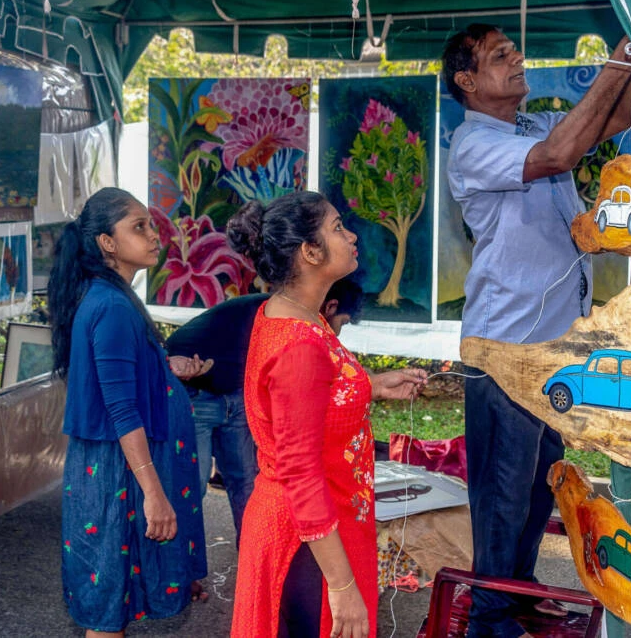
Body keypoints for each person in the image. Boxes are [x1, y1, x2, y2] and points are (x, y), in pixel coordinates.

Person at [442, 24, 631, 637]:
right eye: (501, 56)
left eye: (515, 50)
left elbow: (609, 122)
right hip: (505, 348)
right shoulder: (474, 143)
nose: (518, 59)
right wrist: (611, 63)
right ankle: (489, 620)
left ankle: (514, 594)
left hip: (551, 349)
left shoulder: (528, 127)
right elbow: (558, 157)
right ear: (467, 82)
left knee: (537, 486)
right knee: (502, 495)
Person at [225, 191, 426, 638]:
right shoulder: (299, 342)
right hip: (308, 540)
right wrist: (342, 585)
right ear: (310, 252)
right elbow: (299, 469)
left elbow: (300, 404)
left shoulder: (293, 315)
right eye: (337, 227)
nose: (351, 235)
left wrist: (367, 386)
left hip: (317, 526)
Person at [47, 187, 208, 638]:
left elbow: (117, 379)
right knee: (107, 611)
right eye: (138, 227)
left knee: (114, 600)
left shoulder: (112, 297)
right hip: (121, 474)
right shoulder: (113, 305)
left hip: (122, 469)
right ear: (107, 243)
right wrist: (154, 494)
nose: (153, 235)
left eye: (151, 225)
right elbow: (119, 409)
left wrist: (163, 368)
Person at [166, 277, 365, 545]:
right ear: (330, 306)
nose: (338, 333)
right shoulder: (285, 317)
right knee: (194, 484)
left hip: (233, 395)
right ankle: (182, 573)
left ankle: (252, 554)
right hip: (196, 396)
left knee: (244, 480)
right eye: (342, 323)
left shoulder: (294, 318)